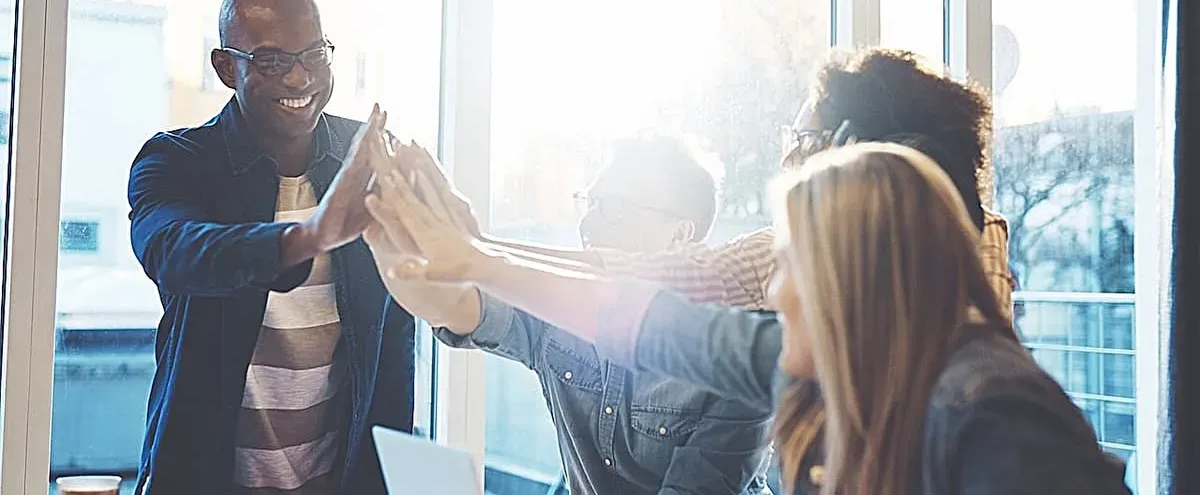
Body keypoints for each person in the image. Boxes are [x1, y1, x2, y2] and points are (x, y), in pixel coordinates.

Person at [365, 141, 1131, 495]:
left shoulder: (989, 408)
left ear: (861, 278)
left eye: (792, 264)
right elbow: (640, 320)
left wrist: (475, 255)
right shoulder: (798, 354)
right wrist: (467, 254)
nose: (777, 290)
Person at [438, 49, 1013, 320]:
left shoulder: (977, 380)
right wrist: (475, 250)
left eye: (803, 136)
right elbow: (672, 281)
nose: (788, 153)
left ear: (850, 148)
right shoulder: (788, 259)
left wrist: (474, 253)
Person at [127, 0, 414, 495]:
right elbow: (173, 250)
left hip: (343, 479)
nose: (300, 78)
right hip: (204, 477)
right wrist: (310, 234)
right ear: (225, 68)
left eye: (314, 55)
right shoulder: (178, 161)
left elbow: (397, 334)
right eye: (273, 62)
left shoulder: (366, 157)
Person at [366, 133, 774, 495]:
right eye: (591, 202)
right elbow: (455, 305)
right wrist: (384, 235)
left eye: (613, 207)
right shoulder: (558, 312)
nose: (588, 221)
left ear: (680, 234)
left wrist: (472, 248)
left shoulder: (733, 358)